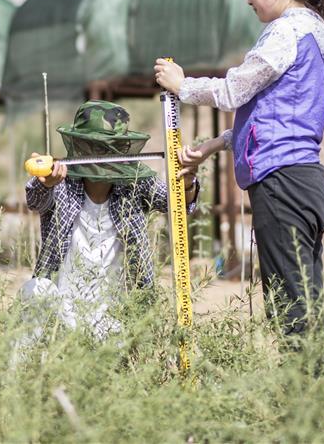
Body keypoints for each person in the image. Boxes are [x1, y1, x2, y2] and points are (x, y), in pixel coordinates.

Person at [154, 0, 324, 340]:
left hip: (281, 186)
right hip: (305, 182)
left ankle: (303, 379)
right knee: (306, 299)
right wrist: (215, 145)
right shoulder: (313, 35)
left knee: (291, 309)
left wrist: (182, 85)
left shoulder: (285, 32)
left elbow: (233, 91)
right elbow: (273, 116)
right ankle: (316, 378)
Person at [20, 100, 199, 341]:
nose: (104, 155)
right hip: (61, 313)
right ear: (80, 146)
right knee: (35, 290)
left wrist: (186, 182)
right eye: (96, 147)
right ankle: (28, 363)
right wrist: (45, 183)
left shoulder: (135, 182)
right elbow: (34, 199)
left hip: (112, 316)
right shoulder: (60, 180)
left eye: (111, 148)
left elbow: (178, 203)